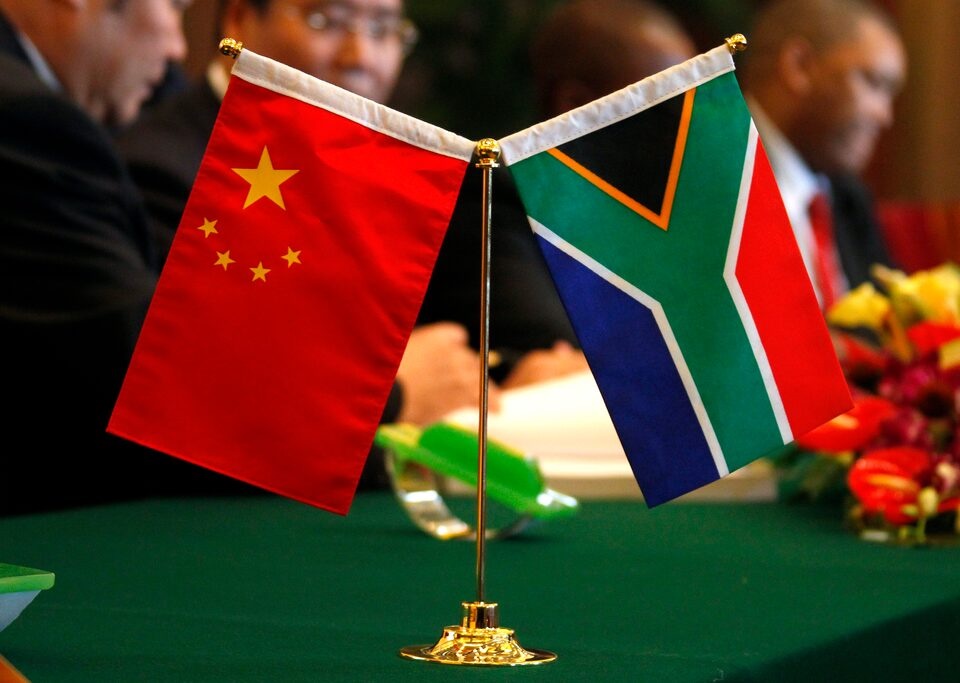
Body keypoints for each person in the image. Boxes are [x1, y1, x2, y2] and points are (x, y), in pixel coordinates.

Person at [418, 0, 696, 386]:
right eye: (664, 106)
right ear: (575, 105)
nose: (685, 128)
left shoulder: (649, 210)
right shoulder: (494, 193)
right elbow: (558, 357)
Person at [0, 0, 197, 515]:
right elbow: (143, 374)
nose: (178, 48)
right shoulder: (24, 119)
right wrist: (379, 403)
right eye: (174, 7)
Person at [739, 0, 907, 309]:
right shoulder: (707, 181)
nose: (885, 116)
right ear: (800, 66)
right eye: (874, 83)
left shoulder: (850, 201)